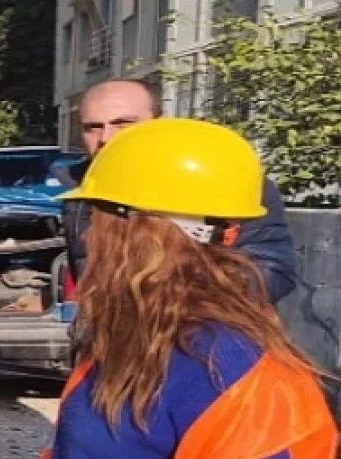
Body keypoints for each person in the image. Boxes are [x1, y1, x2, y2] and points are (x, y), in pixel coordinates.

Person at [21, 118, 337, 459]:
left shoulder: (230, 366)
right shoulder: (133, 335)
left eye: (97, 212)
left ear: (143, 230)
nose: (89, 229)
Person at [56, 77, 298, 303]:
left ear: (159, 123)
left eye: (123, 123)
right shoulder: (83, 187)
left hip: (206, 338)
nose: (106, 138)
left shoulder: (220, 177)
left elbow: (271, 271)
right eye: (93, 127)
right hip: (112, 339)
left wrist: (178, 296)